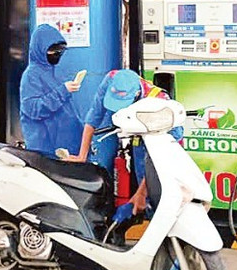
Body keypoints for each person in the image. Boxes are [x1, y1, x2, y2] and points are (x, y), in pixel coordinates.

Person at [67, 69, 183, 215]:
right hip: (138, 136)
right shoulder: (111, 78)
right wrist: (82, 156)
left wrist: (142, 193)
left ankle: (157, 219)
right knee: (141, 182)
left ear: (136, 95)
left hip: (161, 148)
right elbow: (94, 117)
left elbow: (163, 157)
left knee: (155, 191)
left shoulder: (159, 103)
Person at [19, 24, 83, 157]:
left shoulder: (56, 72)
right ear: (40, 49)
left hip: (66, 146)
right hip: (46, 147)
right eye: (53, 51)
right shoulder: (31, 76)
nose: (57, 55)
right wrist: (63, 91)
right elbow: (33, 109)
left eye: (60, 51)